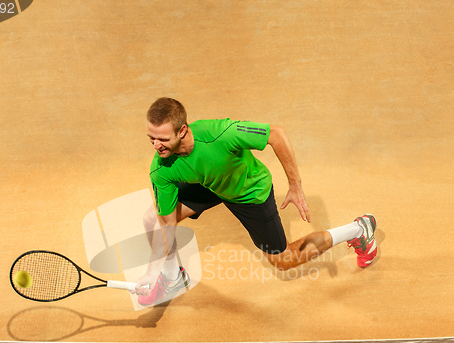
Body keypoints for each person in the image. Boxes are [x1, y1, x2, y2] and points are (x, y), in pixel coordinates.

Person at [134, 97, 377, 305]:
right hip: (211, 184)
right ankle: (172, 277)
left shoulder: (220, 134)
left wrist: (295, 185)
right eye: (151, 138)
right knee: (151, 219)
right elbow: (167, 225)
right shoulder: (161, 168)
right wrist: (151, 271)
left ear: (183, 131)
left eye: (163, 139)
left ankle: (359, 229)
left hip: (249, 191)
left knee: (284, 260)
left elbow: (276, 134)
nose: (157, 146)